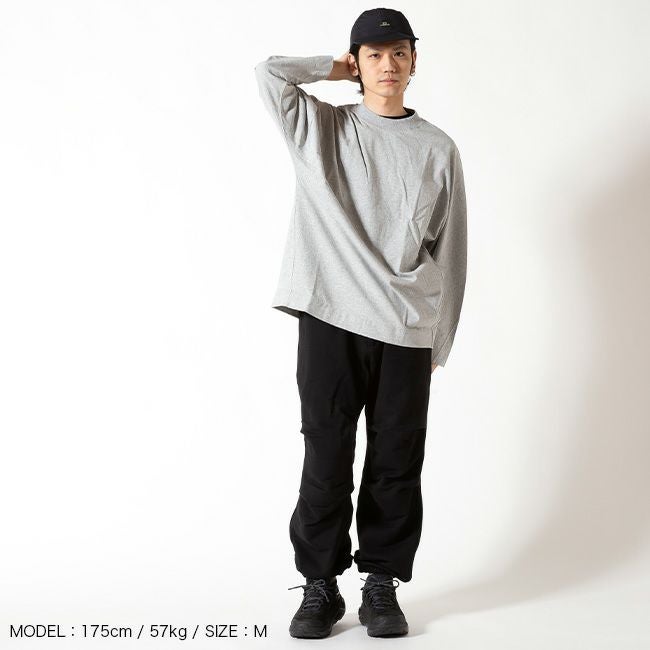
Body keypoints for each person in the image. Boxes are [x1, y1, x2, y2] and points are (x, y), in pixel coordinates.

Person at [254, 7, 467, 639]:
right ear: (358, 62)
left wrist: (439, 341)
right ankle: (320, 585)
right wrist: (333, 68)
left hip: (405, 326)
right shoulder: (320, 127)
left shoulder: (438, 148)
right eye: (374, 55)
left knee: (396, 460)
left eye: (398, 52)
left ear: (414, 61)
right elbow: (269, 74)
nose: (387, 64)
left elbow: (450, 251)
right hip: (330, 315)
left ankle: (380, 584)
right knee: (326, 454)